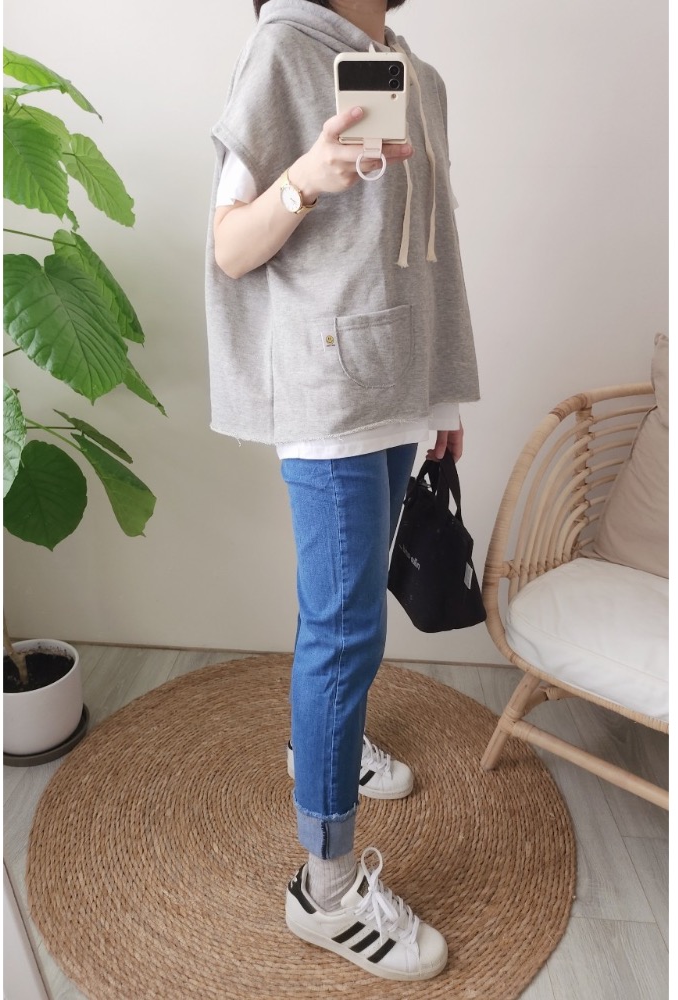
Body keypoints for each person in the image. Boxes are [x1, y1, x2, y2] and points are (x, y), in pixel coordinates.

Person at [204, 0, 479, 982]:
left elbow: (425, 248)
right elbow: (230, 246)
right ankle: (323, 889)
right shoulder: (284, 50)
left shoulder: (406, 70)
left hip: (393, 382)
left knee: (342, 609)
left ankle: (324, 741)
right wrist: (305, 179)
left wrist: (439, 391)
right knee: (347, 625)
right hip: (329, 390)